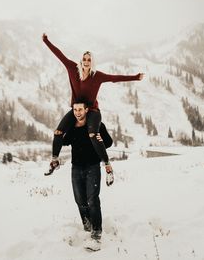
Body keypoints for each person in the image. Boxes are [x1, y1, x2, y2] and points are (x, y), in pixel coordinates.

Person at [42, 33, 144, 174]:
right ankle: (54, 161)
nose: (86, 61)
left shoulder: (97, 76)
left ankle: (107, 164)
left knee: (92, 134)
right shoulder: (72, 69)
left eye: (89, 59)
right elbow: (59, 55)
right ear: (81, 60)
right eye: (84, 59)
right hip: (77, 109)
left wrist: (135, 77)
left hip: (93, 112)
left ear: (92, 62)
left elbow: (115, 78)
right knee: (58, 132)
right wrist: (46, 41)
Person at [51, 100, 113, 250]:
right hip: (76, 168)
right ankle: (87, 226)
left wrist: (101, 139)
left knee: (92, 199)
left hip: (93, 167)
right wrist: (58, 135)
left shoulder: (96, 125)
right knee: (80, 200)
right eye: (75, 110)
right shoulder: (72, 127)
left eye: (80, 109)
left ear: (86, 110)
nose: (77, 112)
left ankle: (96, 233)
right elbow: (64, 141)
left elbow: (109, 142)